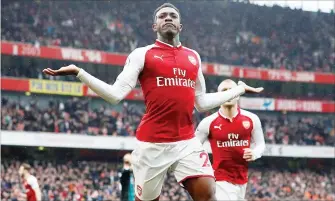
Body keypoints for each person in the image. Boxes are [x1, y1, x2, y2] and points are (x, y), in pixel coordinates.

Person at [42, 3, 263, 201]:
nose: (168, 18)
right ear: (154, 25)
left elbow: (202, 102)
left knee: (207, 193)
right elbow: (115, 94)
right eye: (163, 16)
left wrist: (238, 90)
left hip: (186, 142)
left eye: (173, 16)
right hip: (151, 145)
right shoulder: (142, 54)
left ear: (180, 26)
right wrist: (80, 72)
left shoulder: (193, 56)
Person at [195, 79, 266, 200]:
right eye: (224, 91)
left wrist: (254, 153)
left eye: (231, 90)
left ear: (238, 95)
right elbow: (192, 148)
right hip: (220, 179)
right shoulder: (207, 123)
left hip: (242, 180)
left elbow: (261, 145)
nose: (228, 94)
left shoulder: (252, 119)